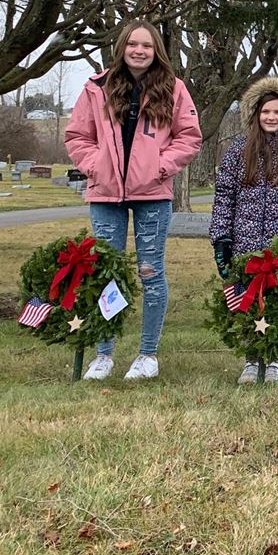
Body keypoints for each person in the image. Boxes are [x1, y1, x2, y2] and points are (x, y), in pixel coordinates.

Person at [64, 20, 202, 381]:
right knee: (106, 274)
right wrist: (96, 165)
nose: (139, 51)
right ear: (122, 47)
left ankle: (147, 355)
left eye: (147, 45)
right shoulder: (97, 88)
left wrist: (160, 166)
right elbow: (78, 135)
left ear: (157, 50)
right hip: (105, 195)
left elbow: (189, 137)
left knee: (150, 273)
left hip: (152, 195)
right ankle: (104, 353)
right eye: (133, 44)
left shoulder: (174, 89)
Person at [209, 78, 278, 385]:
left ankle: (273, 358)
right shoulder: (237, 152)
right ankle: (251, 358)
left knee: (276, 301)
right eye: (265, 112)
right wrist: (222, 239)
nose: (271, 117)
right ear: (255, 114)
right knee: (248, 301)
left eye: (277, 112)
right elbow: (223, 198)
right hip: (245, 243)